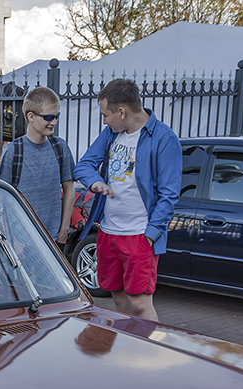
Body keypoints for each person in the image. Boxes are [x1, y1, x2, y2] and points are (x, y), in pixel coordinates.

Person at [74, 78, 180, 323]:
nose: (104, 120)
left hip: (139, 236)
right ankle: (124, 354)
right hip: (109, 232)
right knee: (119, 301)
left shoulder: (164, 139)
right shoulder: (112, 133)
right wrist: (95, 182)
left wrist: (150, 235)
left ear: (121, 112)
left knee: (140, 305)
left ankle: (147, 356)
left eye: (105, 115)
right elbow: (84, 165)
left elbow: (169, 194)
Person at [0, 87, 76, 251]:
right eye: (48, 117)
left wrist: (64, 229)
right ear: (30, 116)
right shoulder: (13, 151)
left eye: (56, 116)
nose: (53, 122)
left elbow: (69, 188)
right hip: (21, 240)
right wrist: (10, 237)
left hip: (53, 239)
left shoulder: (60, 147)